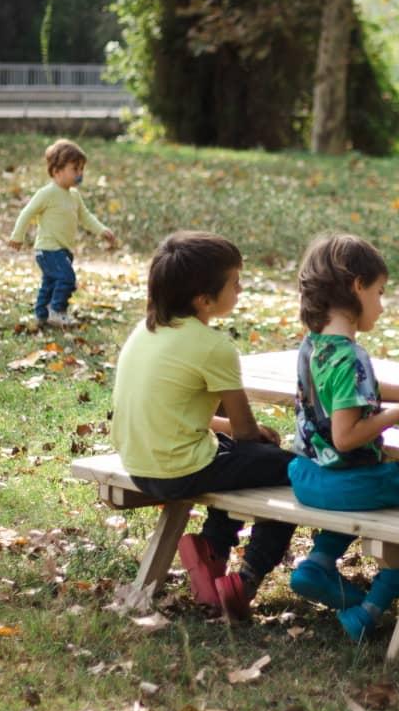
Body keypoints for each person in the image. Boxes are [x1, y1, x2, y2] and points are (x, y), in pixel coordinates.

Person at [111, 230, 294, 621]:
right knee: (292, 469)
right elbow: (244, 431)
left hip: (139, 460)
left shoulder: (145, 331)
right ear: (203, 299)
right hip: (180, 469)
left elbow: (175, 410)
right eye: (234, 282)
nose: (241, 289)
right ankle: (246, 579)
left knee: (244, 461)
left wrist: (239, 435)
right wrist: (256, 435)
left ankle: (211, 556)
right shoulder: (214, 347)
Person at [288, 233, 399, 643]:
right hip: (349, 481)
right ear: (357, 286)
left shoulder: (314, 346)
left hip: (306, 476)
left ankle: (318, 564)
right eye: (379, 292)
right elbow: (346, 436)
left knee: (369, 498)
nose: (381, 303)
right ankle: (369, 611)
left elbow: (350, 394)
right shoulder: (352, 356)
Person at [8, 138, 117, 328]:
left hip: (63, 249)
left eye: (82, 169)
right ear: (57, 171)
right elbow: (27, 213)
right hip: (48, 249)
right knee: (67, 278)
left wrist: (101, 230)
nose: (80, 174)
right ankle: (57, 311)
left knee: (50, 283)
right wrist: (18, 236)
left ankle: (42, 314)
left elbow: (86, 217)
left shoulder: (74, 196)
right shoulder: (47, 193)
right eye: (75, 169)